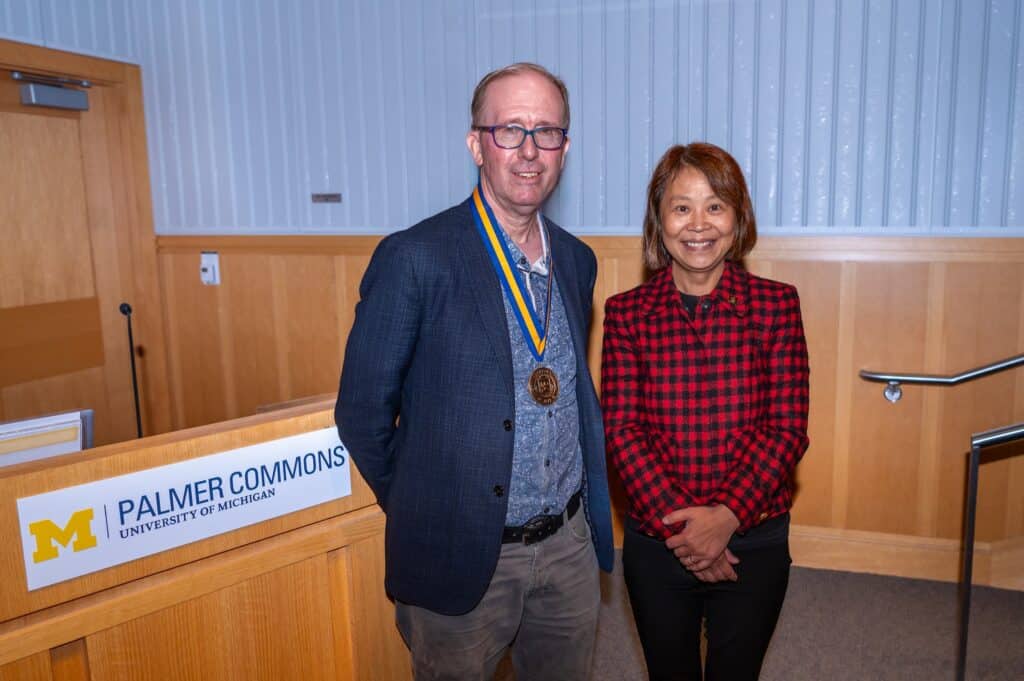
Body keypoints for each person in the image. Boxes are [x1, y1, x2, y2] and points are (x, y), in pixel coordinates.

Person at [335, 62, 613, 681]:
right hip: (459, 554)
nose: (529, 150)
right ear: (475, 144)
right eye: (509, 129)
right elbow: (361, 411)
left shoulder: (577, 260)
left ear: (566, 147)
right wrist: (423, 502)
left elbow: (559, 387)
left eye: (546, 132)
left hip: (568, 548)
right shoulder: (414, 257)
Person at [601, 142, 810, 681]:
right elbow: (622, 432)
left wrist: (727, 517)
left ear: (738, 218)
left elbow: (786, 430)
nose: (699, 223)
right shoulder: (626, 314)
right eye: (681, 206)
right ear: (659, 220)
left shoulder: (777, 305)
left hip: (752, 539)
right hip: (658, 541)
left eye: (716, 205)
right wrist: (691, 535)